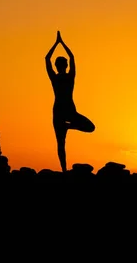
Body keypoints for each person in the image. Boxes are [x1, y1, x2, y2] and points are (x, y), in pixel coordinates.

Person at [45, 31, 95, 172]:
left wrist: (57, 43)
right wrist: (61, 43)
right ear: (65, 65)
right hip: (64, 111)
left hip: (67, 111)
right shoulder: (66, 77)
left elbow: (47, 58)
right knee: (61, 143)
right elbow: (71, 56)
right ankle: (64, 170)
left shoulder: (61, 77)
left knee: (61, 143)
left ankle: (64, 169)